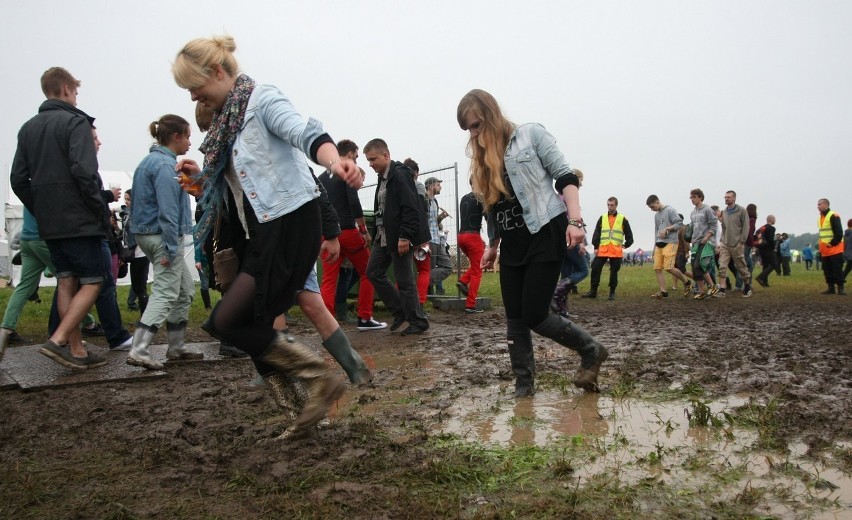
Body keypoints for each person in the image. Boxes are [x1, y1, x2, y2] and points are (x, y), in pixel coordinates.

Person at [172, 35, 361, 432]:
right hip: (261, 232)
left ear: (218, 72)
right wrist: (202, 179)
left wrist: (336, 162)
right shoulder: (226, 124)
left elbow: (305, 133)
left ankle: (320, 378)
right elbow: (239, 185)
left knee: (231, 320)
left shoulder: (261, 100)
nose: (194, 98)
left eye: (195, 87)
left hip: (291, 222)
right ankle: (303, 413)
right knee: (241, 322)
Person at [457, 88, 608, 396]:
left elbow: (566, 177)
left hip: (544, 232)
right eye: (468, 129)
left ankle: (591, 349)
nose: (473, 134)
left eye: (476, 125)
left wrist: (576, 221)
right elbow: (494, 206)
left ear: (490, 114)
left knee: (535, 314)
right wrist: (493, 244)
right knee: (514, 317)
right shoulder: (484, 158)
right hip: (512, 242)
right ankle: (524, 386)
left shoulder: (531, 135)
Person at [10, 67, 110, 369]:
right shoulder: (75, 122)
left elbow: (18, 178)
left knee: (67, 280)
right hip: (79, 219)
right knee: (94, 281)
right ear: (66, 89)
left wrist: (41, 208)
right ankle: (58, 340)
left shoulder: (28, 128)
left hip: (50, 223)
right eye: (76, 92)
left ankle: (76, 349)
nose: (77, 97)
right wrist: (99, 210)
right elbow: (84, 171)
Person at [125, 115, 202, 369]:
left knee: (184, 290)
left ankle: (177, 347)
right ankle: (139, 348)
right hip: (162, 236)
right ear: (176, 137)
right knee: (166, 292)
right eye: (188, 136)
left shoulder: (148, 162)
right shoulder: (164, 166)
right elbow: (168, 211)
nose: (190, 142)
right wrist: (170, 247)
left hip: (146, 234)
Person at [364, 139, 431, 336]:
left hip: (399, 236)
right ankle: (400, 311)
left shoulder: (400, 174)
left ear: (386, 155)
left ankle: (418, 322)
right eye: (368, 160)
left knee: (405, 281)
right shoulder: (382, 177)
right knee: (373, 271)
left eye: (373, 159)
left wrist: (404, 236)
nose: (370, 164)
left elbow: (411, 208)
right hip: (383, 237)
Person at [318, 140, 386, 330]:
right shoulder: (348, 171)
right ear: (348, 155)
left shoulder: (322, 177)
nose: (356, 161)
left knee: (329, 279)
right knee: (368, 272)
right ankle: (365, 318)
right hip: (347, 231)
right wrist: (363, 230)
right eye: (356, 157)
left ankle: (326, 323)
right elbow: (353, 202)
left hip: (329, 235)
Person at [582, 197, 634, 300]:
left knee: (614, 271)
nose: (609, 207)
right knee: (595, 267)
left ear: (616, 205)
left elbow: (629, 234)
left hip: (615, 250)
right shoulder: (602, 217)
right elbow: (597, 232)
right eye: (608, 205)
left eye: (612, 205)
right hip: (603, 249)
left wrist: (626, 244)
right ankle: (593, 291)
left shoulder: (622, 219)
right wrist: (596, 247)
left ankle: (612, 293)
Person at [646, 195, 693, 298]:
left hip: (671, 242)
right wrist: (654, 247)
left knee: (668, 267)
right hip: (659, 243)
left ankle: (687, 283)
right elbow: (656, 231)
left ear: (657, 202)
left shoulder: (670, 210)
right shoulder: (656, 216)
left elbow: (679, 223)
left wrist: (668, 229)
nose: (651, 209)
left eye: (652, 206)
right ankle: (663, 292)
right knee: (657, 268)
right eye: (650, 207)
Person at [402, 158, 432, 306]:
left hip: (402, 234)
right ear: (416, 173)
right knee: (424, 270)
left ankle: (400, 302)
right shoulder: (418, 186)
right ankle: (419, 303)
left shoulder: (397, 186)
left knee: (403, 272)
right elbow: (421, 209)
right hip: (419, 233)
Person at [456, 184, 489, 313]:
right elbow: (488, 218)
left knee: (476, 264)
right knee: (478, 269)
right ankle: (470, 305)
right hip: (472, 237)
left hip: (461, 236)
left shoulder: (464, 198)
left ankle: (463, 280)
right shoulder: (480, 198)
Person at [715, 190, 752, 298]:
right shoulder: (724, 212)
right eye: (725, 197)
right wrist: (722, 240)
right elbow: (724, 227)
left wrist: (742, 241)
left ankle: (747, 286)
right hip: (725, 243)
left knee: (741, 266)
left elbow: (746, 226)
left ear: (734, 198)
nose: (726, 199)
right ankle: (722, 289)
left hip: (737, 243)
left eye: (729, 197)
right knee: (722, 265)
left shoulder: (741, 211)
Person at [686, 189, 718, 300]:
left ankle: (712, 286)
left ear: (700, 197)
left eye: (694, 197)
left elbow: (714, 225)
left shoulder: (707, 210)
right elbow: (693, 227)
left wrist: (707, 237)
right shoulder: (693, 213)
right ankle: (701, 291)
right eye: (691, 197)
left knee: (699, 265)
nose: (692, 199)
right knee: (695, 269)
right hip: (695, 243)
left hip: (705, 242)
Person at [424, 177, 452, 294]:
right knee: (428, 268)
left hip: (437, 239)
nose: (440, 187)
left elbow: (434, 221)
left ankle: (421, 282)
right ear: (430, 186)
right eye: (437, 185)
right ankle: (427, 294)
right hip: (428, 240)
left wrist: (441, 217)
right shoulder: (424, 200)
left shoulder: (435, 201)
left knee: (448, 267)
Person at [816, 198, 845, 295]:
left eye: (819, 204)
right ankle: (831, 288)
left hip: (835, 248)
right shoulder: (820, 217)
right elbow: (822, 234)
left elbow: (839, 232)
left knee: (837, 269)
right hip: (825, 250)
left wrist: (832, 243)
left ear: (826, 205)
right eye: (818, 204)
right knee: (827, 270)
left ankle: (841, 289)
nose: (818, 206)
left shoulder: (833, 215)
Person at [754, 214, 777, 288]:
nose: (775, 220)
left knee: (765, 265)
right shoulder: (771, 228)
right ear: (771, 220)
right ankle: (760, 277)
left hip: (761, 248)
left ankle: (765, 282)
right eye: (774, 219)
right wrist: (773, 247)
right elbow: (770, 239)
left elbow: (756, 236)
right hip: (768, 249)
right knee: (774, 264)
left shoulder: (761, 228)